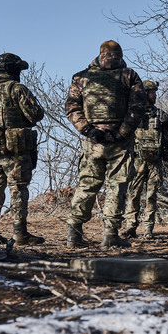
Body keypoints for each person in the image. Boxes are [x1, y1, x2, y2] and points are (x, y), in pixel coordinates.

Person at [65, 40, 146, 249]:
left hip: (93, 141)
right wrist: (122, 133)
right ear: (120, 54)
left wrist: (87, 130)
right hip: (119, 142)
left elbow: (72, 108)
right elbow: (138, 107)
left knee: (87, 184)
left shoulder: (81, 77)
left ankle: (74, 233)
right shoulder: (129, 75)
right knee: (116, 186)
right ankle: (110, 234)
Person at [0, 53, 46, 246]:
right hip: (15, 149)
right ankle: (20, 233)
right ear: (15, 70)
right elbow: (36, 114)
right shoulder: (17, 88)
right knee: (18, 189)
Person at [120, 81, 168, 240]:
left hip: (155, 162)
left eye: (155, 92)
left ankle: (148, 229)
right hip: (136, 161)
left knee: (151, 196)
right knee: (133, 195)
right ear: (143, 94)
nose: (154, 95)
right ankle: (130, 227)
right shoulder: (133, 114)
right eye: (151, 92)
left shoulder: (160, 115)